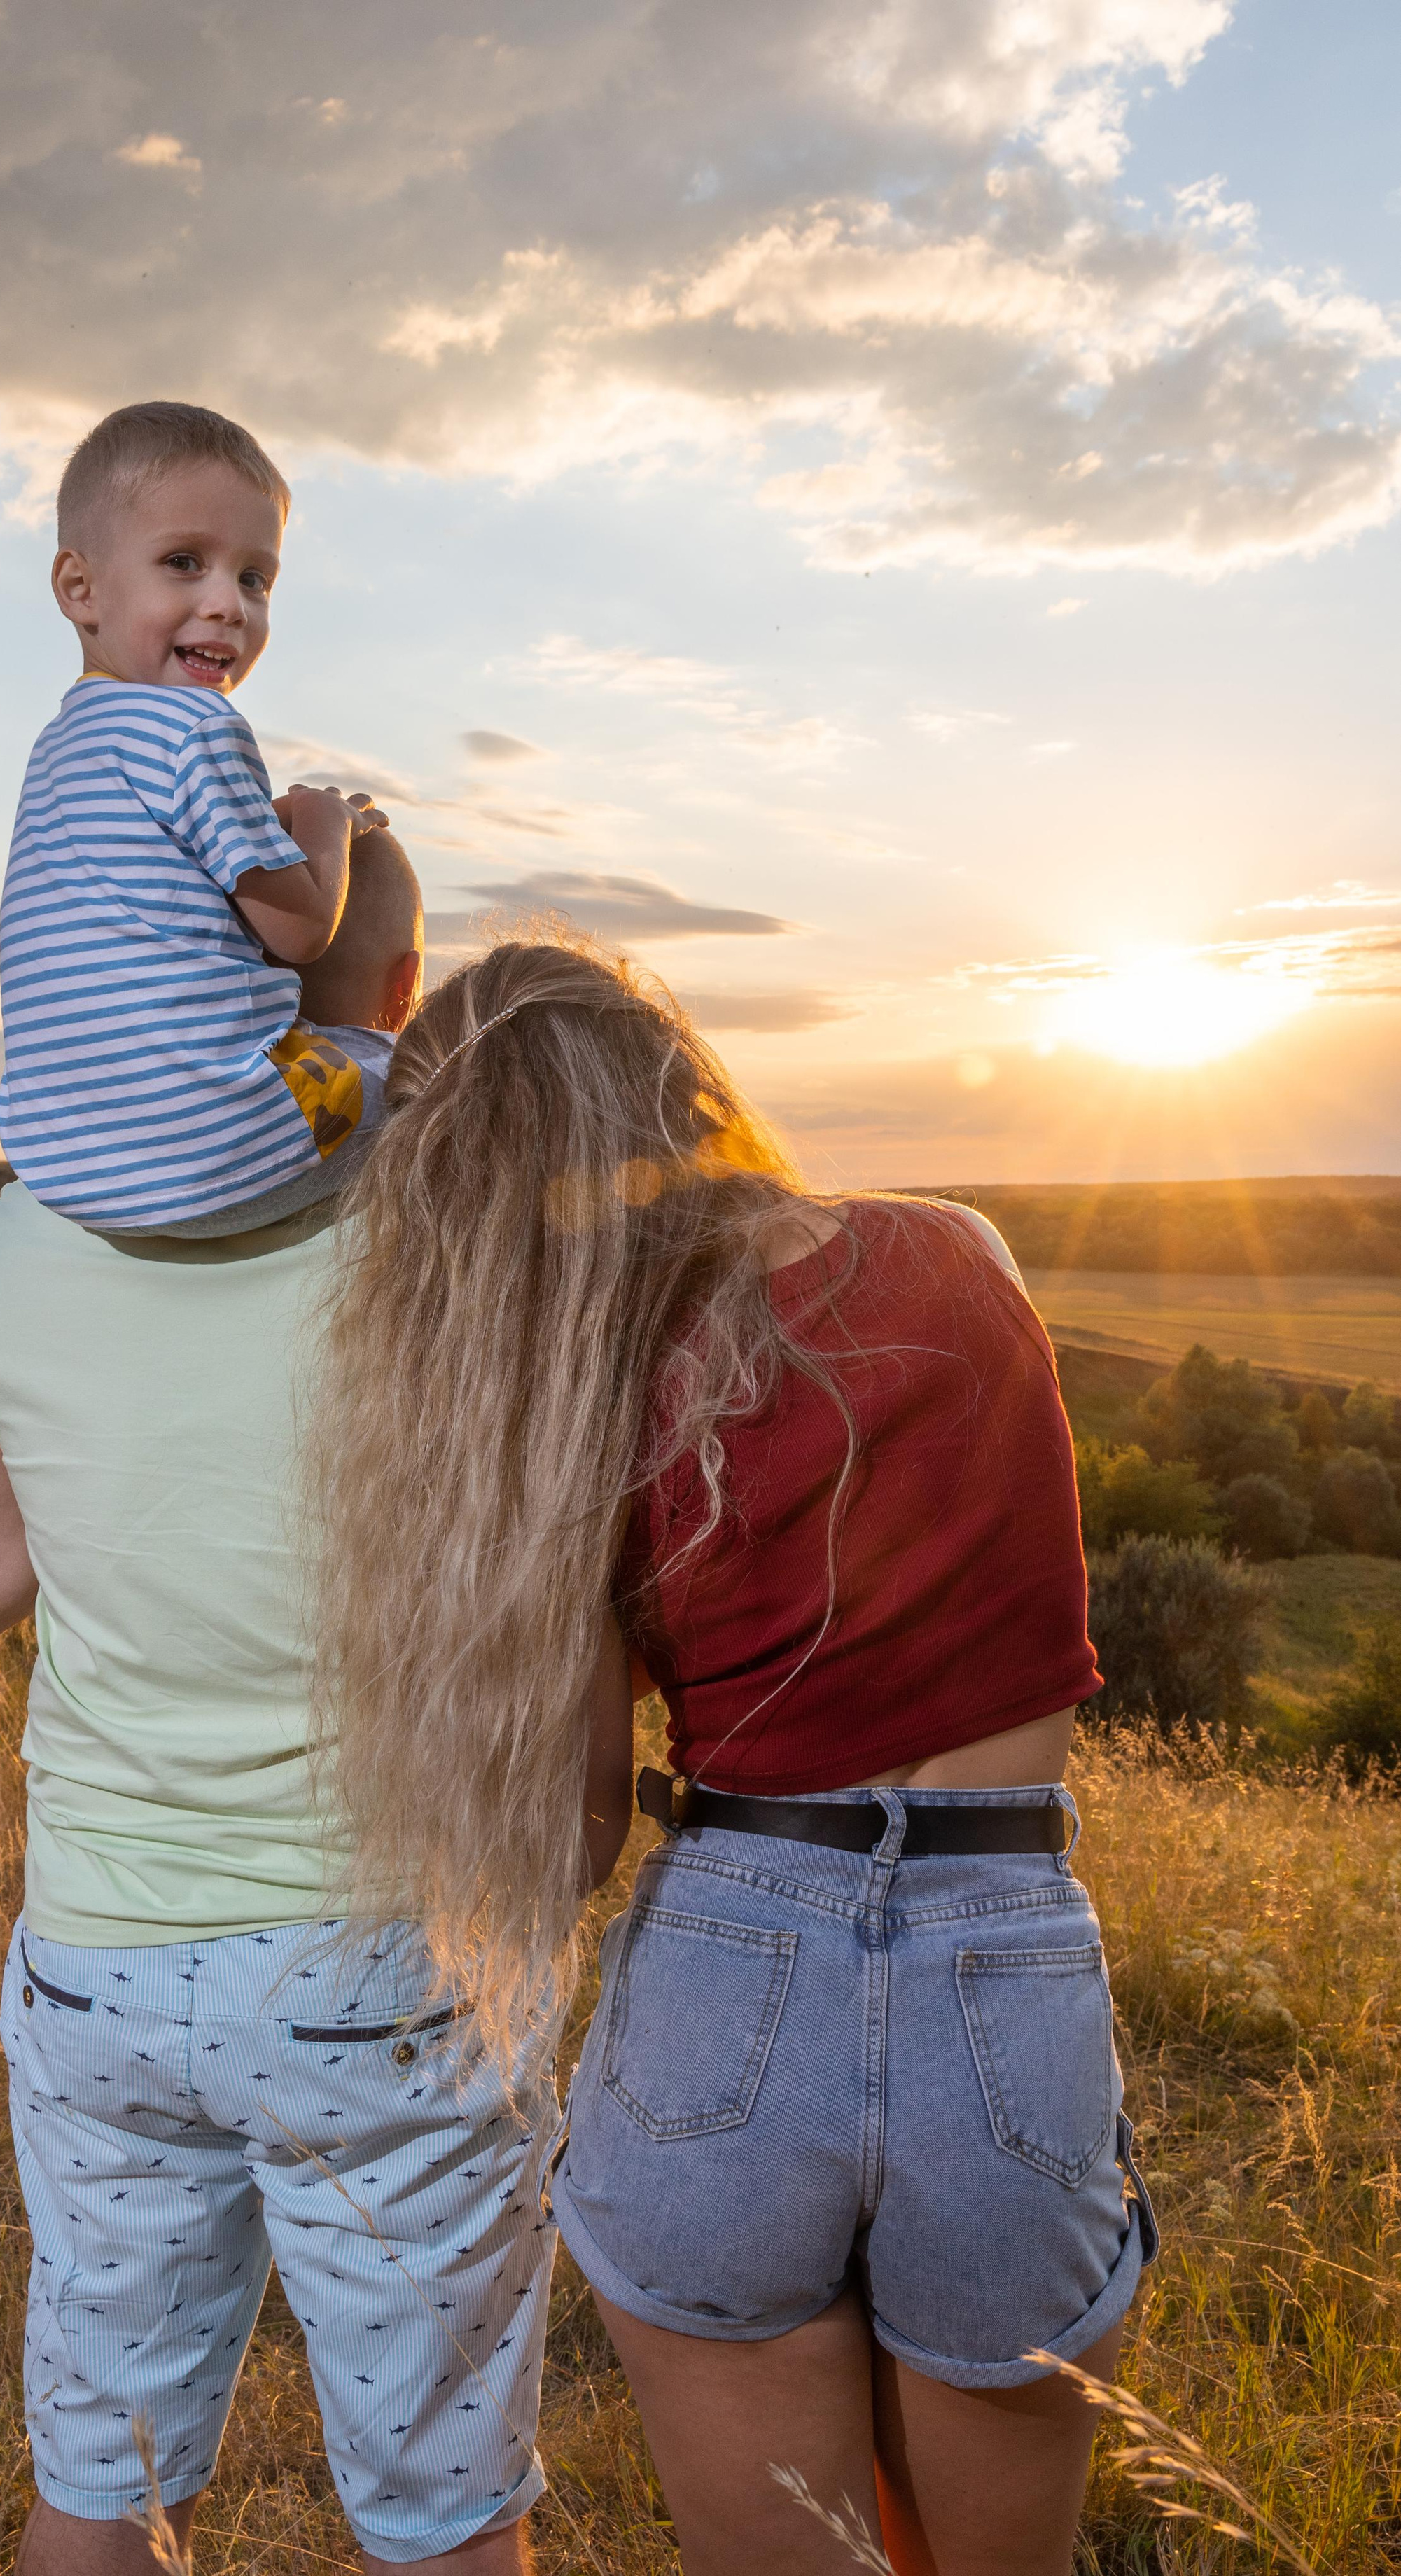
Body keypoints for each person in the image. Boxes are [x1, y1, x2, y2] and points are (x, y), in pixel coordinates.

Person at [307, 937, 1158, 2576]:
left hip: (724, 1962)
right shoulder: (962, 1254)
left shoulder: (567, 1412)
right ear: (685, 1086)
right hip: (1004, 1954)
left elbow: (563, 1838)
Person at [0, 840, 562, 2576]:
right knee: (438, 2513)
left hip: (98, 1951)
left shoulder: (13, 1233)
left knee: (97, 2480)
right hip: (379, 1954)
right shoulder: (440, 1218)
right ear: (395, 996)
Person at [0, 398, 395, 1237]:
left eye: (255, 578)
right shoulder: (198, 729)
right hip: (224, 1145)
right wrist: (324, 819)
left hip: (72, 1167)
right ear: (80, 587)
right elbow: (300, 933)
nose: (228, 605)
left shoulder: (59, 748)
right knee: (422, 1075)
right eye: (185, 562)